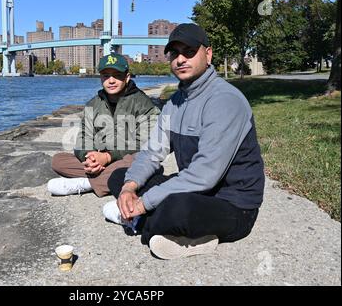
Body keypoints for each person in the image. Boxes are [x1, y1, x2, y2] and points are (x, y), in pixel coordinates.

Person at [103, 23, 265, 260]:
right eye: (175, 53)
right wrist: (130, 188)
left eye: (189, 51)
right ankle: (156, 226)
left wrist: (144, 203)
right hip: (197, 191)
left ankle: (144, 223)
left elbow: (204, 175)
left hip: (233, 204)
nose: (180, 59)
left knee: (175, 210)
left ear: (207, 54)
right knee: (120, 176)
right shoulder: (174, 103)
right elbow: (151, 153)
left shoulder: (224, 100)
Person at [48, 53, 160, 197]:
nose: (111, 81)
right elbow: (84, 137)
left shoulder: (144, 104)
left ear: (127, 77)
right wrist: (89, 159)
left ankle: (87, 184)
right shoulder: (93, 104)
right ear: (101, 78)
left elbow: (144, 142)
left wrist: (108, 157)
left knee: (144, 161)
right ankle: (107, 178)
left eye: (117, 75)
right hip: (102, 162)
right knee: (58, 161)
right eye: (106, 75)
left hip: (125, 159)